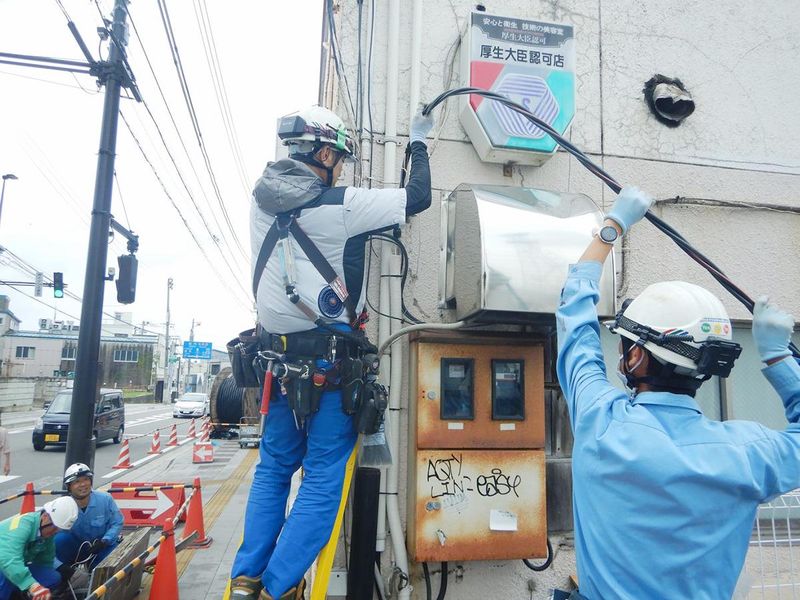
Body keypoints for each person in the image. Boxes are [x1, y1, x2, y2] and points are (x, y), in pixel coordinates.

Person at [229, 105, 434, 600]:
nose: (340, 168)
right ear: (322, 154)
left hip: (277, 365)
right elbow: (418, 197)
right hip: (329, 367)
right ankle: (278, 587)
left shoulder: (260, 205)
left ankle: (245, 578)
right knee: (322, 475)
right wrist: (419, 143)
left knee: (275, 468)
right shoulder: (340, 206)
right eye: (338, 158)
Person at [556, 186, 800, 599]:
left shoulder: (601, 421)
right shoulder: (748, 453)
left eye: (625, 346)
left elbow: (574, 315)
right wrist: (778, 358)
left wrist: (611, 228)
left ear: (635, 358)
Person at [0, 496, 79, 600]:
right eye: (54, 527)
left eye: (59, 530)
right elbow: (9, 560)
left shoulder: (45, 532)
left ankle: (20, 593)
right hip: (4, 563)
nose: (55, 532)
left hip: (14, 565)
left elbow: (45, 560)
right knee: (7, 576)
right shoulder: (21, 527)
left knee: (53, 577)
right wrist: (32, 585)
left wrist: (39, 586)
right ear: (45, 516)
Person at [54, 463, 123, 573]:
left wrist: (105, 541)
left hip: (102, 547)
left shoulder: (105, 499)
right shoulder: (64, 506)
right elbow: (52, 533)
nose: (82, 484)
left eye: (86, 479)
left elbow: (117, 522)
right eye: (76, 482)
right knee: (60, 539)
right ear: (69, 486)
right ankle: (64, 575)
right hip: (77, 547)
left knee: (107, 566)